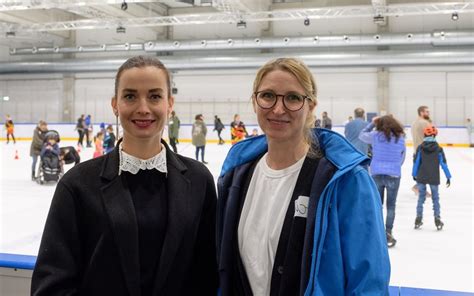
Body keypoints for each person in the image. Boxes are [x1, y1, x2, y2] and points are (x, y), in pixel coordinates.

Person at [32, 55, 218, 296]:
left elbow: (206, 273)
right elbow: (52, 285)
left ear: (169, 104)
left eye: (154, 96)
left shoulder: (198, 180)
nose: (143, 108)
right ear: (115, 104)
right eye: (130, 96)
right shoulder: (77, 184)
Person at [217, 58, 390, 295]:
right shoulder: (236, 175)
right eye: (268, 96)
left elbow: (368, 282)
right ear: (255, 101)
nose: (278, 109)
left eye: (293, 98)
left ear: (311, 106)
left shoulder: (348, 182)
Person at [359, 115, 406, 247]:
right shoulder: (401, 138)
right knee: (391, 206)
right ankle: (388, 232)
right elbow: (402, 157)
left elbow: (361, 135)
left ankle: (378, 233)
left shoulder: (375, 135)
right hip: (394, 175)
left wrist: (372, 124)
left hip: (377, 173)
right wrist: (394, 167)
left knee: (377, 205)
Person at [412, 124, 452, 231]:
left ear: (425, 135)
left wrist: (414, 174)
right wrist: (448, 176)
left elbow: (416, 163)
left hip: (422, 176)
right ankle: (437, 219)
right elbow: (443, 164)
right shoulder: (438, 149)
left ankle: (418, 219)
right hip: (434, 177)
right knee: (435, 199)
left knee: (421, 198)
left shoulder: (420, 147)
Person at [411, 106, 432, 196]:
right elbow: (432, 136)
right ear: (421, 112)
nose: (428, 113)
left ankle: (420, 188)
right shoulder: (424, 123)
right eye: (427, 112)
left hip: (417, 150)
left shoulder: (414, 122)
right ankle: (418, 187)